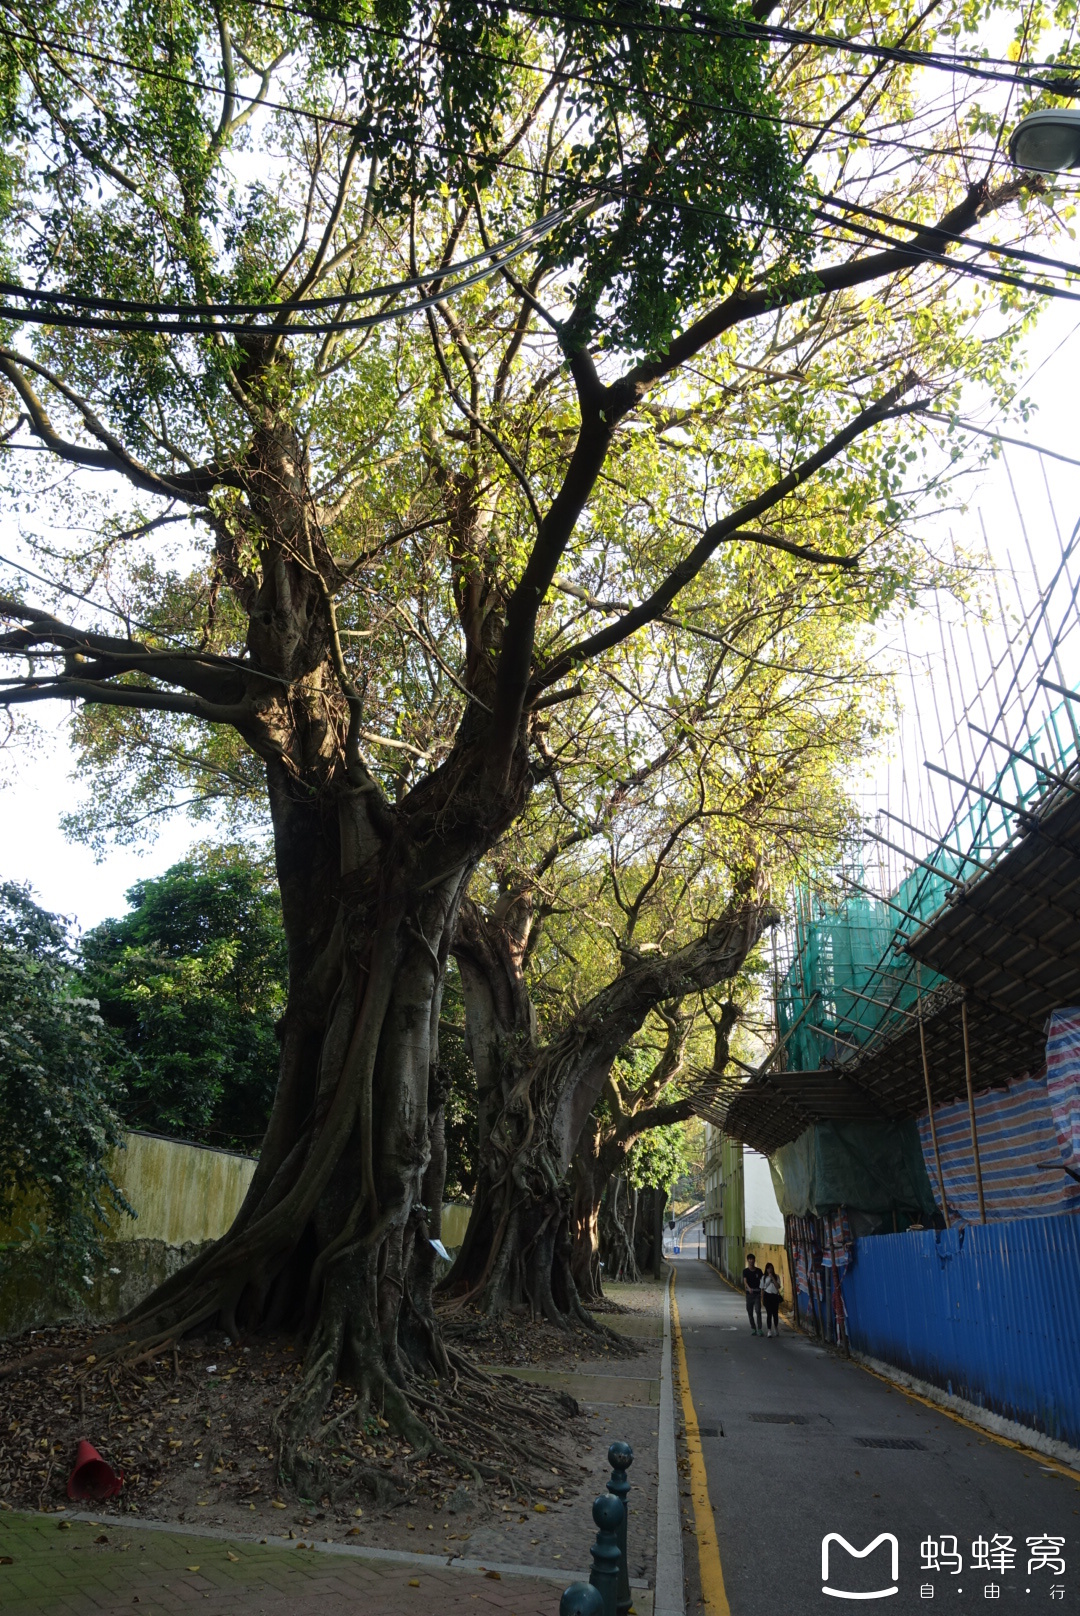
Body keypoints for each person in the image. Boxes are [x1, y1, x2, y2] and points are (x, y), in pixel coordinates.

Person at [742, 1253, 763, 1334]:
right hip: (749, 1294)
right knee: (749, 1311)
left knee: (758, 1311)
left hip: (757, 1293)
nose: (751, 1261)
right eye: (749, 1259)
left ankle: (760, 1328)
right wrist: (748, 1288)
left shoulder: (759, 1271)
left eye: (752, 1259)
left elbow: (762, 1281)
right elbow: (745, 1281)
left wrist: (762, 1291)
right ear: (748, 1260)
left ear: (754, 1260)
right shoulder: (745, 1271)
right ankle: (753, 1328)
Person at [761, 1261, 782, 1337]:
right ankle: (769, 1330)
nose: (770, 1270)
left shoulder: (776, 1276)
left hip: (775, 1296)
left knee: (775, 1314)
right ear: (766, 1269)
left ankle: (776, 1327)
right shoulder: (764, 1278)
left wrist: (772, 1278)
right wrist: (762, 1298)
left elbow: (778, 1286)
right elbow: (762, 1288)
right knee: (769, 1314)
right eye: (768, 1268)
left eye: (771, 1268)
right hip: (767, 1296)